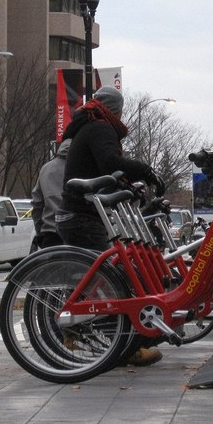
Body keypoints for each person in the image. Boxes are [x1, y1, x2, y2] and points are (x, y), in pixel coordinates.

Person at [55, 86, 165, 366]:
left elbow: (104, 169)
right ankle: (128, 348)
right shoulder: (101, 127)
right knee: (116, 280)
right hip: (83, 215)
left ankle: (74, 333)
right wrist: (144, 170)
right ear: (115, 109)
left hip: (77, 215)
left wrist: (126, 183)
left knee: (95, 280)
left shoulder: (89, 126)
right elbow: (110, 162)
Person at [30, 138, 71, 250]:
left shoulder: (46, 168)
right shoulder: (83, 166)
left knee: (53, 266)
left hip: (51, 233)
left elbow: (37, 204)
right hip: (78, 234)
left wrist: (40, 233)